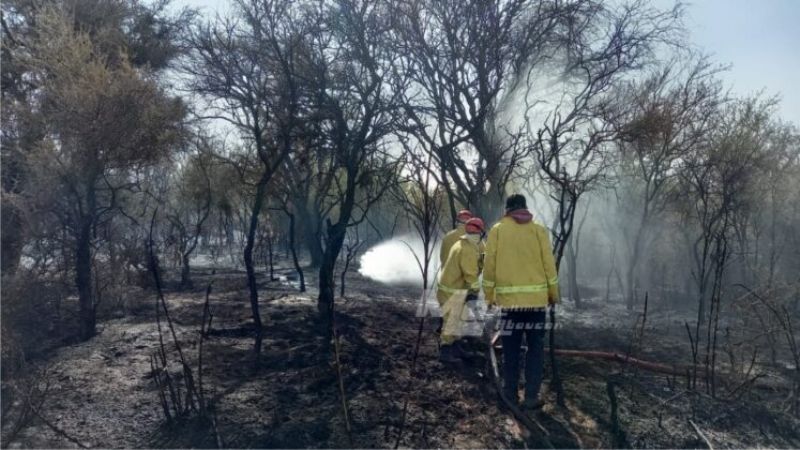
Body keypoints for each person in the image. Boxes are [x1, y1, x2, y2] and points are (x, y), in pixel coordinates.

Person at [483, 194, 559, 409]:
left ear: (507, 209)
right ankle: (531, 397)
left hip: (510, 305)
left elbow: (489, 267)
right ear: (525, 208)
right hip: (536, 304)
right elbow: (549, 266)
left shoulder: (498, 231)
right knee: (535, 350)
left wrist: (489, 295)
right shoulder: (539, 231)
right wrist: (553, 294)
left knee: (511, 348)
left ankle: (510, 394)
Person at [436, 217, 485, 363]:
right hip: (452, 290)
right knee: (451, 321)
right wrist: (475, 292)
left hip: (455, 288)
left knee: (458, 320)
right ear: (479, 233)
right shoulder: (467, 249)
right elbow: (470, 274)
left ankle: (456, 348)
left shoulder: (462, 243)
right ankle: (445, 352)